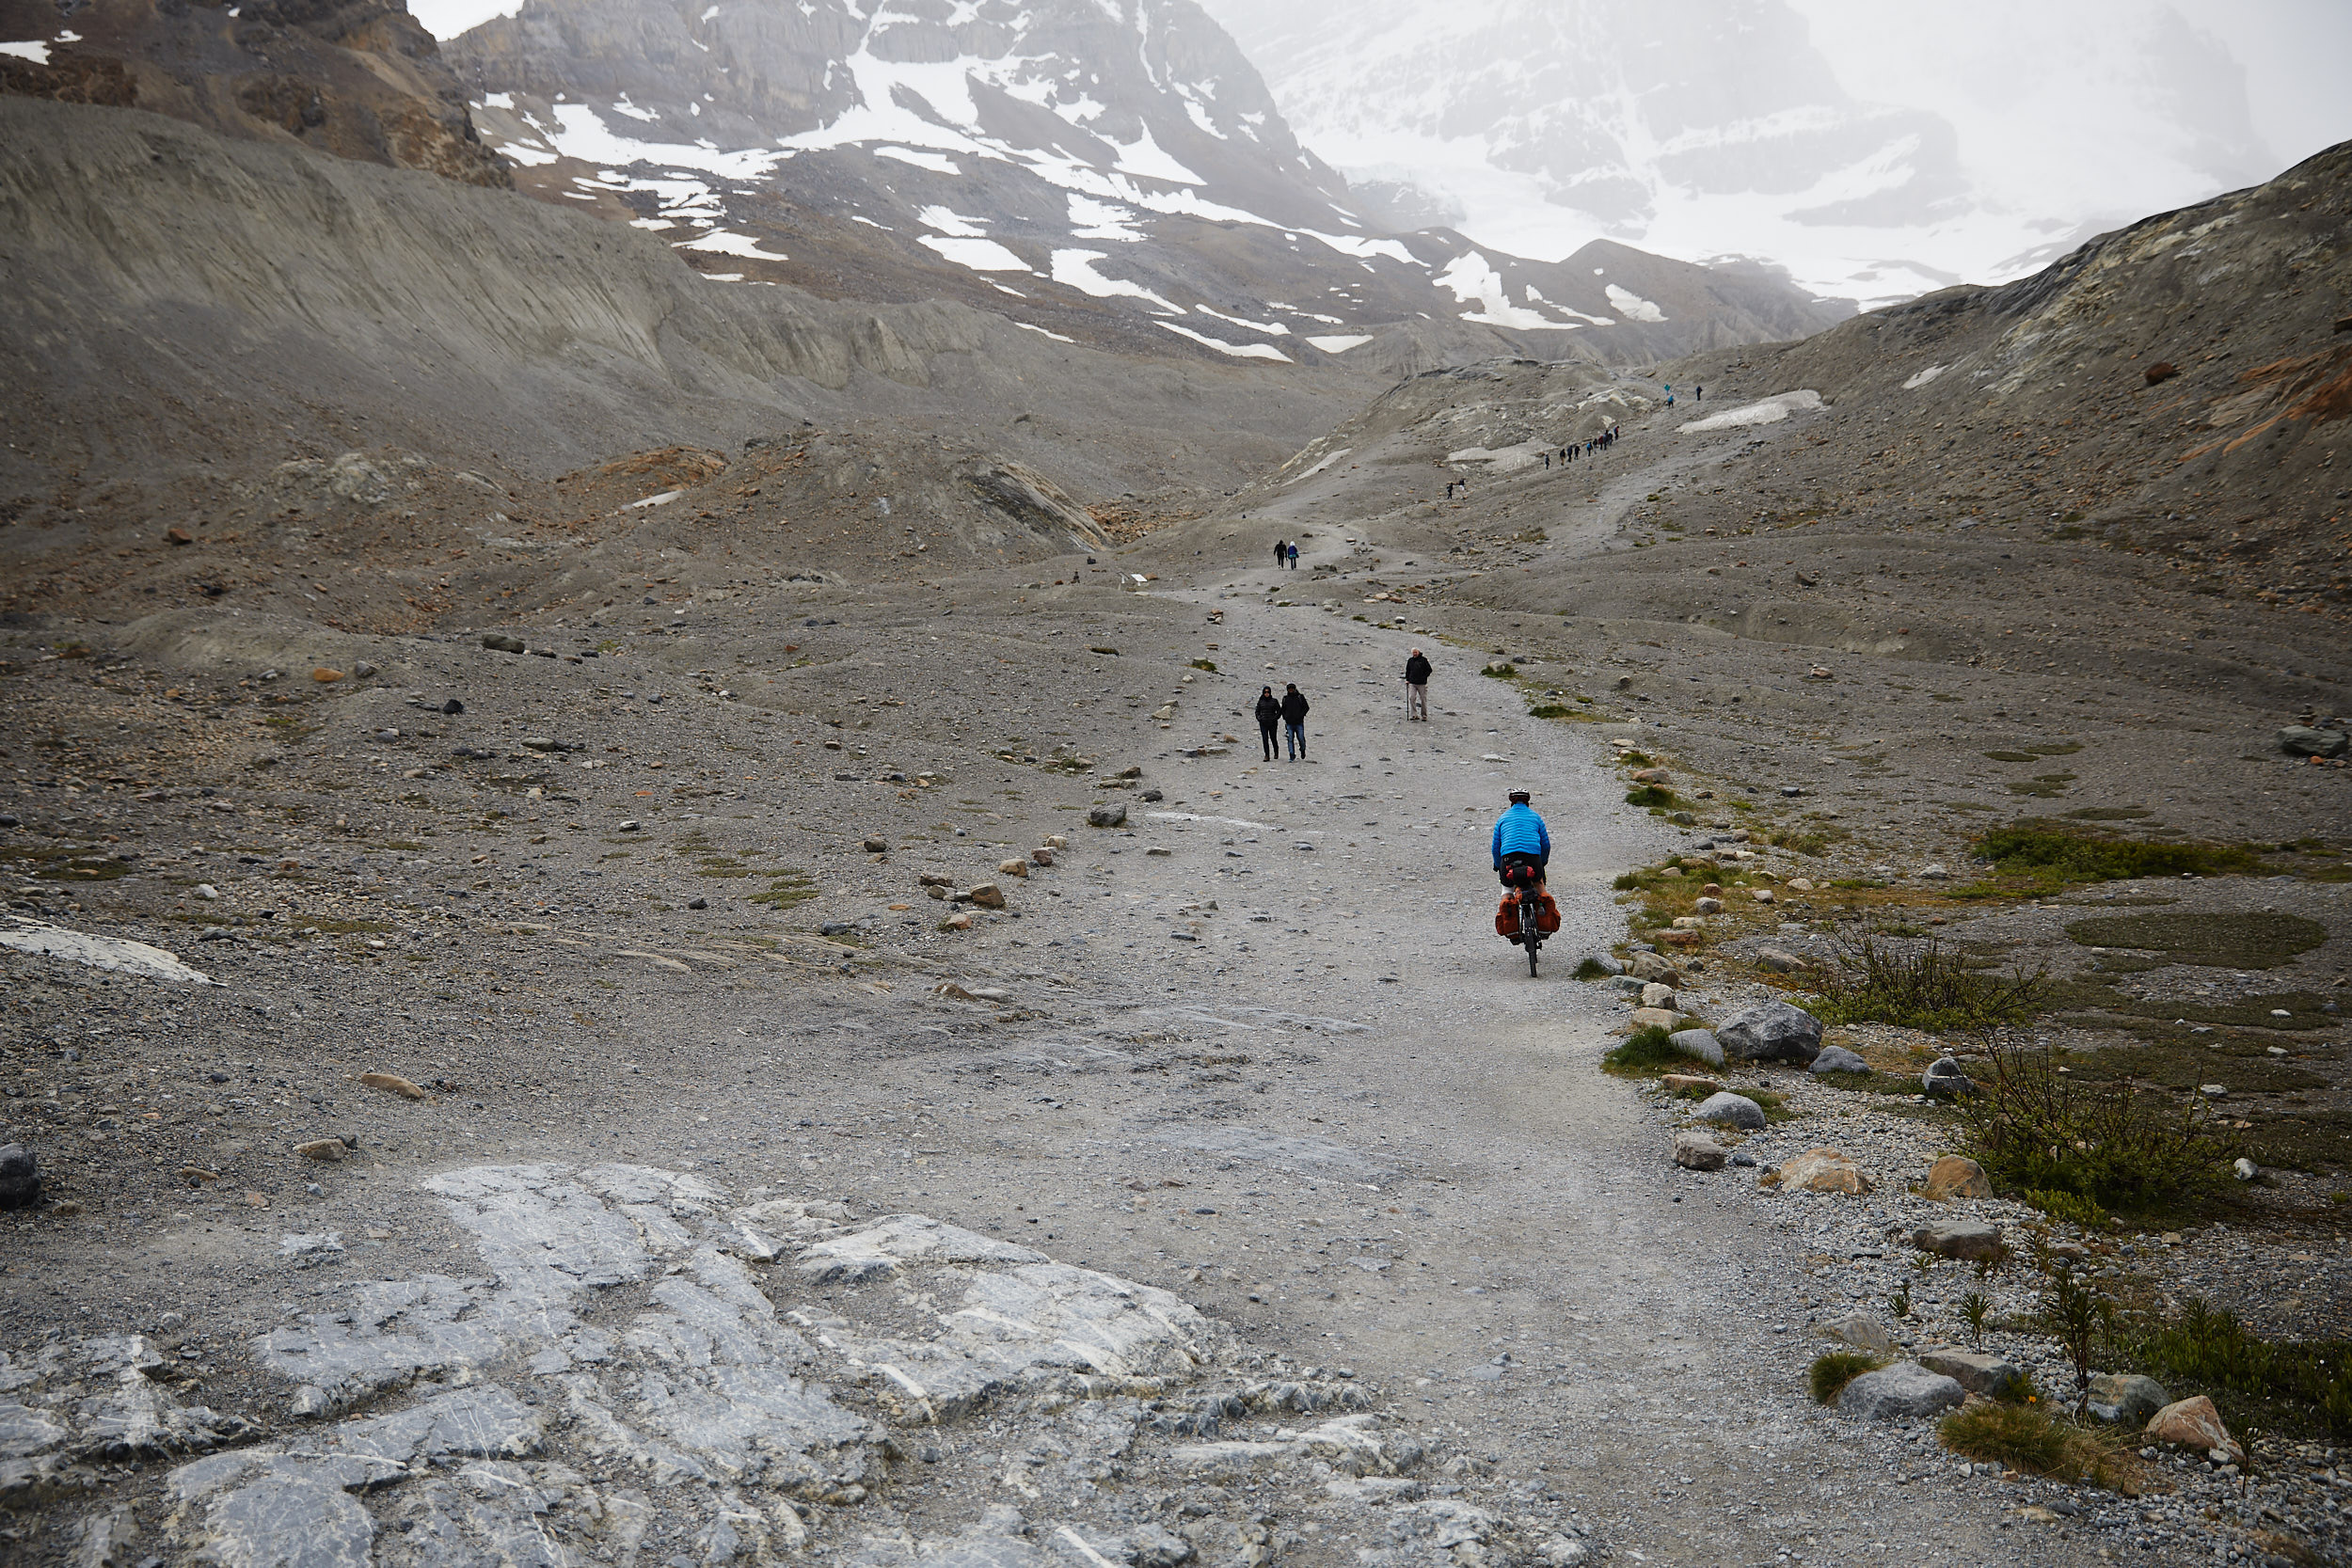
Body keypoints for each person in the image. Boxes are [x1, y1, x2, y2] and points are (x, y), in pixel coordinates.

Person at [1489, 788, 1559, 941]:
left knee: (1507, 889)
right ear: (1527, 801)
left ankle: (1511, 929)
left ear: (1511, 802)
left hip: (1508, 858)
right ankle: (1544, 926)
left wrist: (1497, 865)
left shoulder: (1502, 818)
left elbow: (1496, 847)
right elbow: (1545, 844)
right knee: (1539, 885)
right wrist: (1542, 862)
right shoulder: (1535, 817)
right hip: (1532, 858)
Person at [1279, 682, 1310, 759]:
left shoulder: (1300, 697)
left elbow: (1306, 707)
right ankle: (1291, 754)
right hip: (1289, 723)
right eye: (1289, 689)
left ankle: (1302, 750)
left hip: (1299, 722)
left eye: (1292, 689)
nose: (1291, 690)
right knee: (1290, 739)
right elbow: (1283, 709)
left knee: (1301, 738)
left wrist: (1300, 715)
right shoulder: (1285, 699)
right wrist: (1285, 717)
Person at [1403, 646, 1432, 721]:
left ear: (1418, 652)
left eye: (1416, 652)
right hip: (1412, 682)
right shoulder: (1410, 660)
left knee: (1423, 699)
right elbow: (1408, 671)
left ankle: (1424, 715)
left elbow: (1429, 670)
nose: (1414, 654)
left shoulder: (1424, 660)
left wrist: (1424, 676)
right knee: (1411, 697)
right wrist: (1407, 679)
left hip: (1422, 683)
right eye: (1413, 652)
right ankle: (1414, 715)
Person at [1254, 685, 1281, 760]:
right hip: (1263, 723)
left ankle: (1276, 751)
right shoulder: (1260, 701)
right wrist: (1259, 718)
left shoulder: (1274, 701)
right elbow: (1257, 711)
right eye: (1265, 692)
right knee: (1265, 739)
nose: (1266, 693)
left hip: (1272, 723)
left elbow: (1279, 711)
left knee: (1273, 738)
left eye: (1268, 692)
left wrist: (1275, 718)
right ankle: (1267, 755)